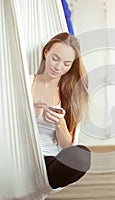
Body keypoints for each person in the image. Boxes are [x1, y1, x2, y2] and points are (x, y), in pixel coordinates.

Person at [31, 32, 91, 189]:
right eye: (55, 59)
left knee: (82, 155)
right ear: (46, 52)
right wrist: (30, 115)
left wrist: (60, 124)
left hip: (50, 160)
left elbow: (67, 147)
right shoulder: (25, 82)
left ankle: (41, 183)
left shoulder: (70, 94)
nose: (58, 67)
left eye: (66, 63)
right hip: (20, 155)